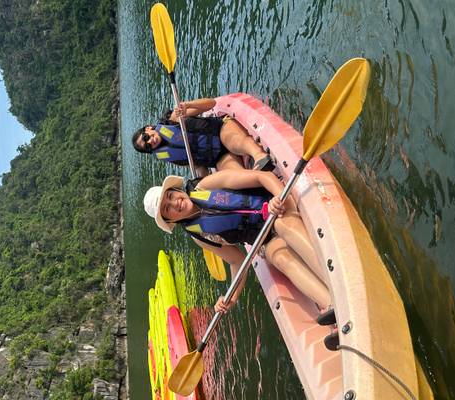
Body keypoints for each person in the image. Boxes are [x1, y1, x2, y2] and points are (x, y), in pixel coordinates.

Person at [142, 171, 333, 320]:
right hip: (264, 238)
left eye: (170, 196)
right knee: (281, 259)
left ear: (177, 190)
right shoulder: (197, 234)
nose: (175, 203)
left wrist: (280, 198)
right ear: (170, 220)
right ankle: (331, 304)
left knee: (284, 226)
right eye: (168, 208)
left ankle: (335, 281)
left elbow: (262, 177)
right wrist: (230, 297)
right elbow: (236, 260)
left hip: (277, 209)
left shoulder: (206, 186)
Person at [132, 97, 274, 175]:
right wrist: (201, 180)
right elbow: (199, 165)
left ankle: (260, 156)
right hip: (218, 158)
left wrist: (187, 105)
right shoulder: (169, 156)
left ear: (148, 128)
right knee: (238, 176)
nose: (151, 141)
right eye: (148, 146)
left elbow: (211, 104)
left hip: (219, 131)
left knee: (235, 142)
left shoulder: (174, 118)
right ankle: (261, 179)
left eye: (146, 137)